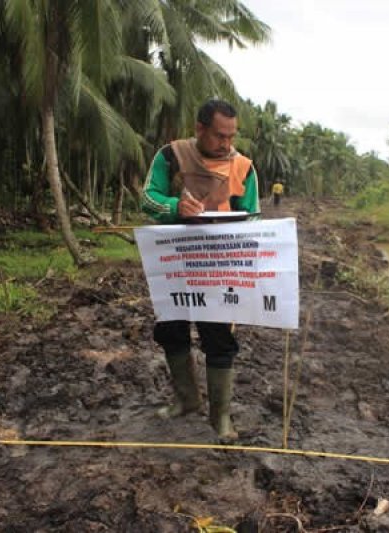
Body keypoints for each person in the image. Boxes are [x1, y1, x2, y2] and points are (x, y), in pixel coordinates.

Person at [141, 99, 260, 440]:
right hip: (175, 262)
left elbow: (252, 215)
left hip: (218, 267)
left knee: (219, 337)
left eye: (231, 136)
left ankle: (220, 417)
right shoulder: (171, 155)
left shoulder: (244, 167)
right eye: (219, 136)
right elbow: (148, 198)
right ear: (200, 129)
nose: (227, 144)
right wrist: (175, 206)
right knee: (171, 330)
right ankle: (187, 400)